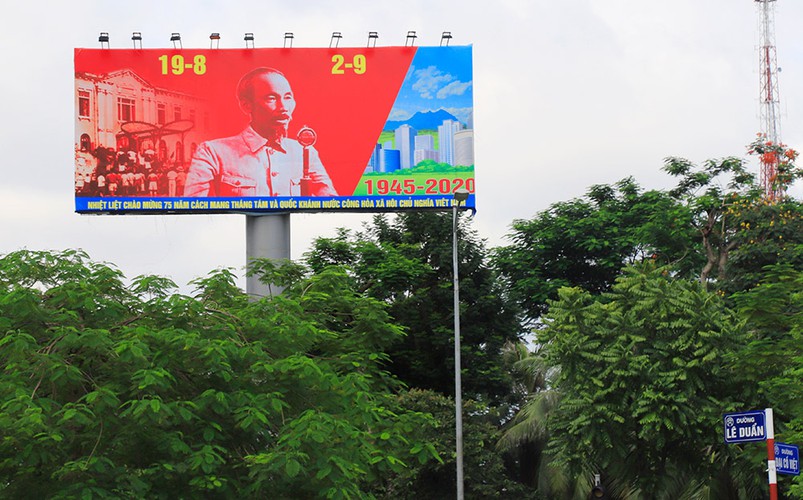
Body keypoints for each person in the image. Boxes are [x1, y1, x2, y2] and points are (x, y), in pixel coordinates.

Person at [183, 67, 336, 197]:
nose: (283, 107)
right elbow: (194, 206)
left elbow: (331, 202)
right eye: (271, 98)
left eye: (288, 97)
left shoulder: (304, 152)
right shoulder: (213, 152)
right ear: (246, 106)